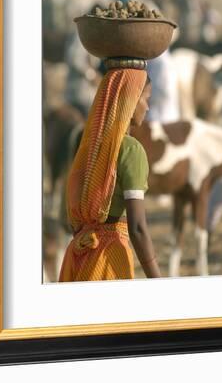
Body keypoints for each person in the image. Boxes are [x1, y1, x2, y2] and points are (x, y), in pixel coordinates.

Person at [58, 59, 162, 281]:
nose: (148, 107)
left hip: (80, 256)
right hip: (110, 257)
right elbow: (138, 228)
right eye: (146, 99)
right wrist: (158, 280)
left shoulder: (91, 146)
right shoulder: (131, 150)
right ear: (131, 101)